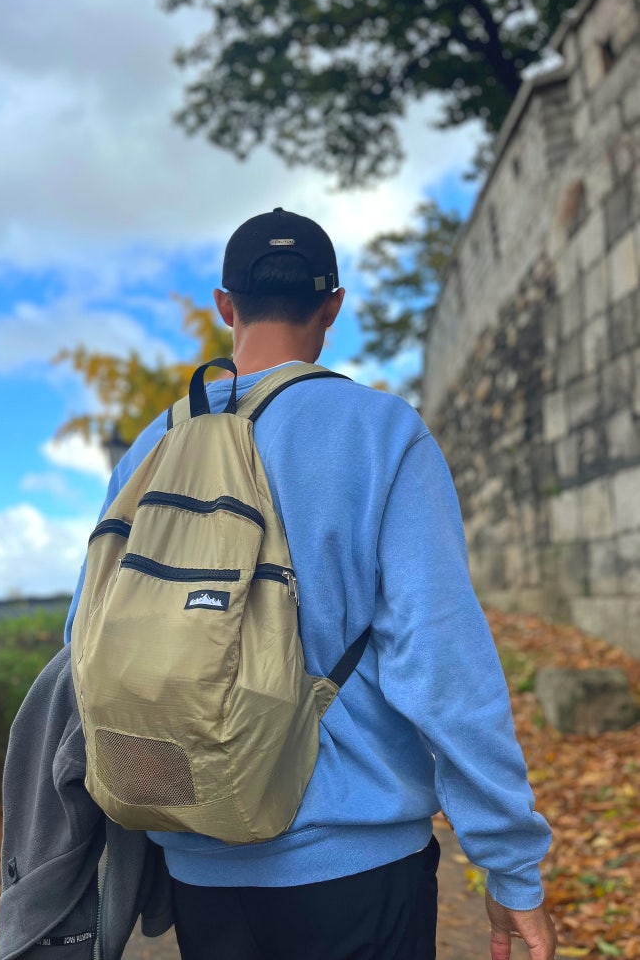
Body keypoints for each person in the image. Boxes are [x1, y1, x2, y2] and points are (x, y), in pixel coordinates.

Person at [63, 207, 557, 960]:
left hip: (198, 861)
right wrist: (508, 860)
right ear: (332, 306)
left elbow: (86, 637)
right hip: (357, 864)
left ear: (225, 305)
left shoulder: (150, 449)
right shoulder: (381, 431)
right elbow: (441, 662)